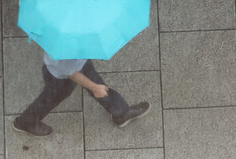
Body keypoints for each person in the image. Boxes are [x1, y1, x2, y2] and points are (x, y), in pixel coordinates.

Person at [13, 51, 150, 137]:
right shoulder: (70, 47)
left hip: (61, 65)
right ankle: (26, 122)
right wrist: (94, 88)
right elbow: (71, 73)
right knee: (49, 98)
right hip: (61, 77)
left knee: (95, 82)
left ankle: (120, 112)